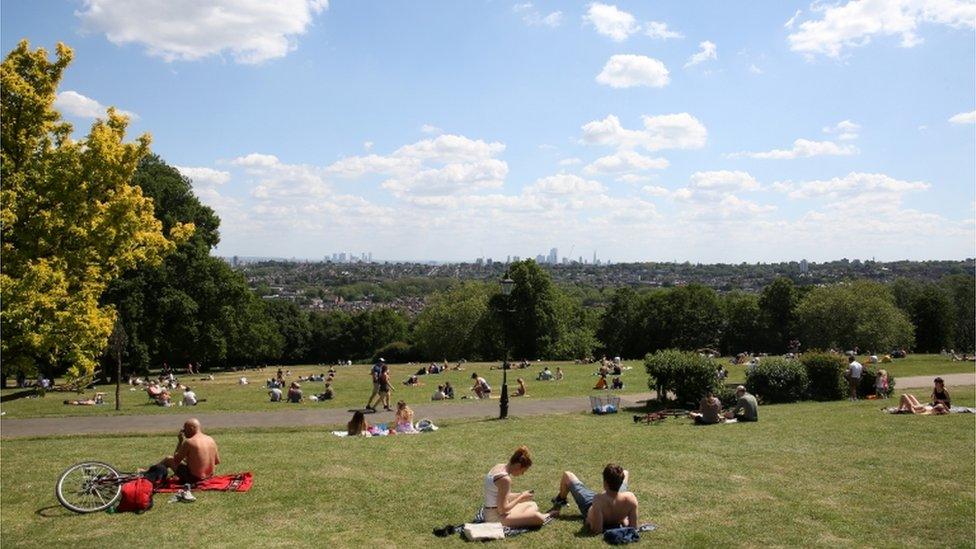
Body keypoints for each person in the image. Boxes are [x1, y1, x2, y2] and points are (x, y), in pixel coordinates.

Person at [549, 465, 639, 535]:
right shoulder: (630, 498)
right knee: (625, 472)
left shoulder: (598, 500)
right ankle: (611, 490)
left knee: (567, 475)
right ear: (620, 482)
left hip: (592, 505)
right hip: (618, 497)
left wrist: (589, 520)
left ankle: (561, 499)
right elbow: (633, 527)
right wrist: (623, 520)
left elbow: (597, 530)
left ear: (605, 482)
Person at [482, 446, 550, 527]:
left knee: (532, 505)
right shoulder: (505, 479)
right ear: (518, 466)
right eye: (523, 471)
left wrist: (521, 494)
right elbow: (502, 510)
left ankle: (524, 517)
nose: (522, 474)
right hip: (495, 518)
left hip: (490, 512)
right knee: (538, 518)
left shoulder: (498, 466)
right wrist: (521, 498)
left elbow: (501, 495)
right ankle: (547, 515)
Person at [145, 418, 220, 485]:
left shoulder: (189, 442)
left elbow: (176, 460)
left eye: (184, 429)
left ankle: (148, 474)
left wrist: (180, 441)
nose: (183, 432)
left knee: (168, 459)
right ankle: (150, 472)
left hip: (194, 479)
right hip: (209, 477)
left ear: (192, 428)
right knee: (181, 461)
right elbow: (216, 461)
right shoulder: (210, 439)